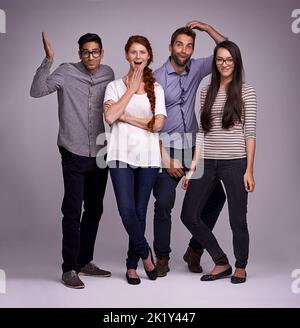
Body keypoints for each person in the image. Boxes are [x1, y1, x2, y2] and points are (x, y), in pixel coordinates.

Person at [30, 32, 114, 289]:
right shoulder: (66, 71)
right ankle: (69, 268)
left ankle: (85, 260)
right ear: (79, 54)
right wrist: (48, 59)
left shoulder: (108, 74)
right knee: (72, 210)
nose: (91, 56)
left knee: (95, 209)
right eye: (86, 52)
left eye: (95, 51)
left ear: (102, 52)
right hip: (73, 151)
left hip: (100, 152)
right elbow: (36, 91)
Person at [153, 21, 227, 277]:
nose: (184, 50)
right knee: (164, 202)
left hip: (193, 148)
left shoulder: (195, 68)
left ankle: (194, 250)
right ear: (170, 47)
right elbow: (149, 124)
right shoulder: (156, 78)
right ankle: (161, 256)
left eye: (189, 46)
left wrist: (207, 28)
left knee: (217, 198)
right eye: (179, 45)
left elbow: (227, 49)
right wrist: (166, 159)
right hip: (166, 149)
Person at [181, 40, 257, 284]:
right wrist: (192, 167)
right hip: (206, 160)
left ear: (236, 62)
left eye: (229, 59)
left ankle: (240, 266)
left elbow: (250, 132)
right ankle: (221, 261)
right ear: (215, 62)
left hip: (235, 162)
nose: (224, 64)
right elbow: (202, 131)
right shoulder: (206, 90)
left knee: (237, 218)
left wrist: (249, 170)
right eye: (220, 59)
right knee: (189, 215)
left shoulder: (246, 91)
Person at [103, 35, 166, 285]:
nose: (138, 57)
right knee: (126, 210)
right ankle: (146, 254)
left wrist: (126, 117)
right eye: (133, 52)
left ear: (148, 56)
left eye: (142, 52)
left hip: (149, 158)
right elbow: (109, 118)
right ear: (126, 55)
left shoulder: (157, 89)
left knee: (139, 212)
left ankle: (131, 266)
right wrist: (130, 90)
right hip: (119, 155)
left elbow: (157, 125)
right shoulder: (115, 87)